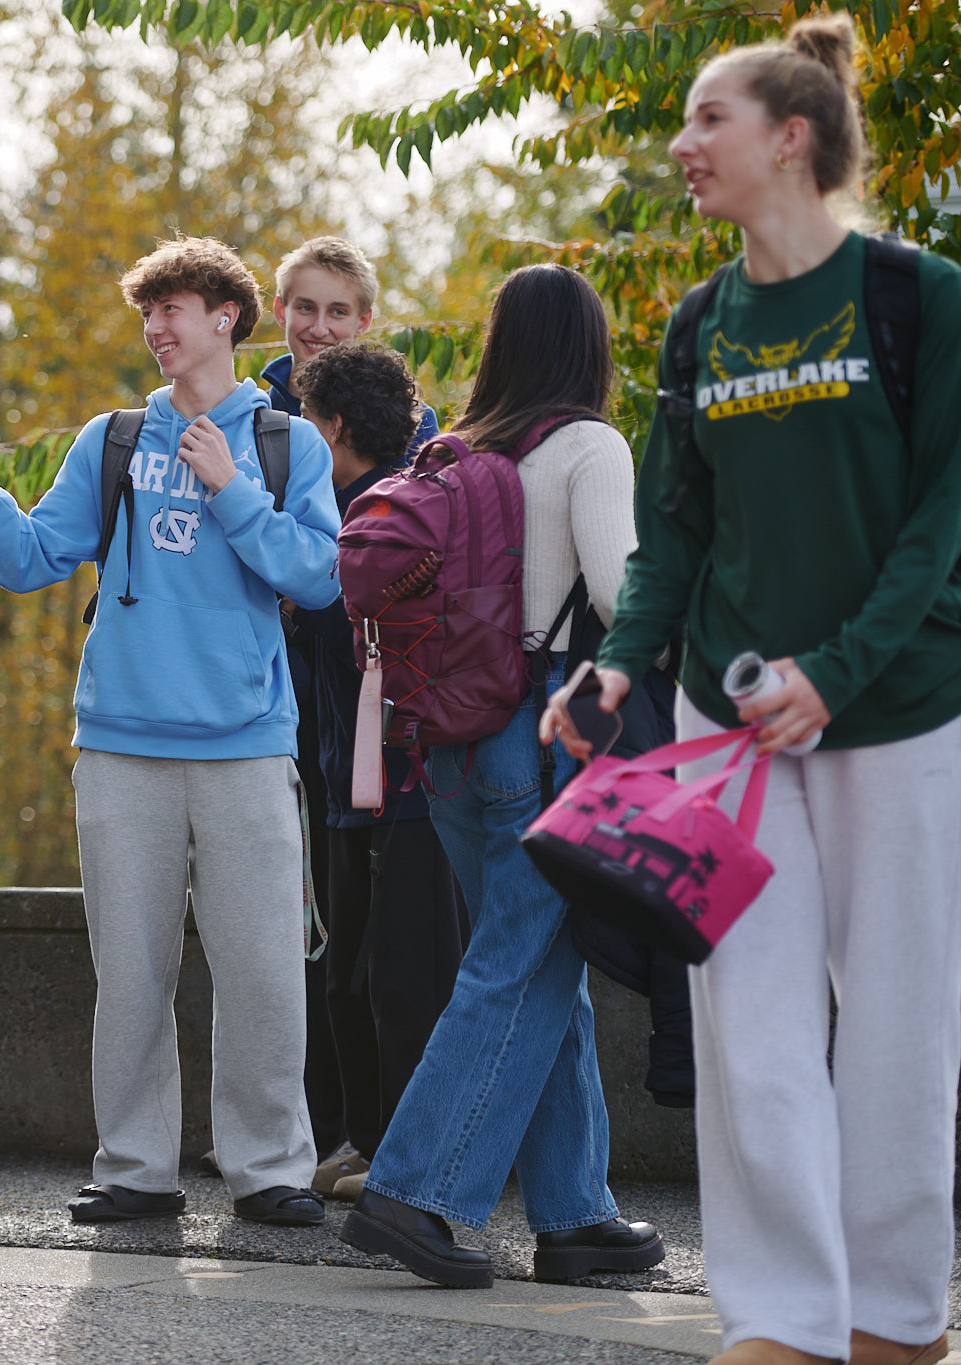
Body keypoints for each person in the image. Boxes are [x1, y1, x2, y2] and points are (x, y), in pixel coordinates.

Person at [549, 17, 961, 1364]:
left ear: (791, 137)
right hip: (730, 734)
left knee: (899, 1023)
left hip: (898, 711)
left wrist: (836, 674)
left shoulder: (921, 298)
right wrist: (619, 666)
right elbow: (674, 532)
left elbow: (941, 524)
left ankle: (893, 1319)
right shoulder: (697, 323)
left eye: (707, 118)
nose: (682, 143)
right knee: (751, 1032)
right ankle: (784, 1319)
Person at [0, 235, 343, 1227]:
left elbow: (320, 576)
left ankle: (269, 1170)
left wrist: (232, 490)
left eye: (176, 308)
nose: (157, 327)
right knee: (129, 975)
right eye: (149, 310)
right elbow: (31, 557)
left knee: (260, 973)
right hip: (120, 747)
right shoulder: (112, 440)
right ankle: (132, 1167)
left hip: (248, 747)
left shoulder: (288, 443)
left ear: (226, 319)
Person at [336, 263, 664, 1287]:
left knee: (538, 969)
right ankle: (415, 1191)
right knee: (514, 970)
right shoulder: (587, 446)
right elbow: (618, 594)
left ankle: (573, 1213)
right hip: (544, 736)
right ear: (589, 347)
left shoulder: (457, 450)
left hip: (448, 746)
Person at [256, 236, 445, 1193]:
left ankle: (385, 1141)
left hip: (385, 724)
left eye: (337, 311)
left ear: (365, 322)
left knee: (384, 949)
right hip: (278, 710)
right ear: (277, 312)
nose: (317, 326)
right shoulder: (243, 417)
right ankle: (315, 1130)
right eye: (303, 307)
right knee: (302, 943)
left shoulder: (414, 435)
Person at [285, 340, 467, 1197]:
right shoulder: (334, 506)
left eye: (307, 421)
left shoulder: (393, 511)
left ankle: (409, 1156)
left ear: (340, 426)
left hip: (410, 782)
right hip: (347, 783)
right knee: (350, 972)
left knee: (405, 978)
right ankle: (368, 1140)